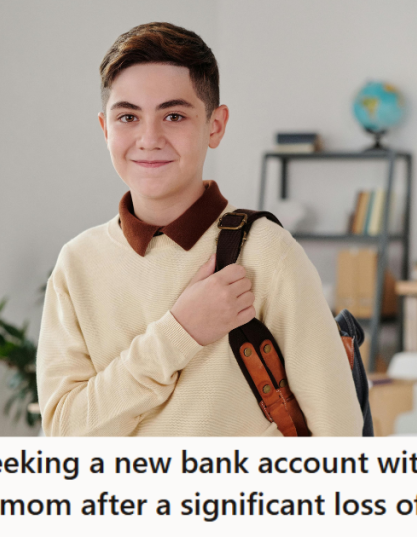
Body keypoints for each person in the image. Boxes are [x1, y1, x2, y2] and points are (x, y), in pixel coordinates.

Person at [37, 22, 362, 436]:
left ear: (215, 125)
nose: (149, 138)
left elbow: (340, 435)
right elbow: (64, 434)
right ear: (105, 129)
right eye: (128, 116)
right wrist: (181, 331)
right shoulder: (77, 263)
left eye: (174, 115)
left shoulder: (267, 253)